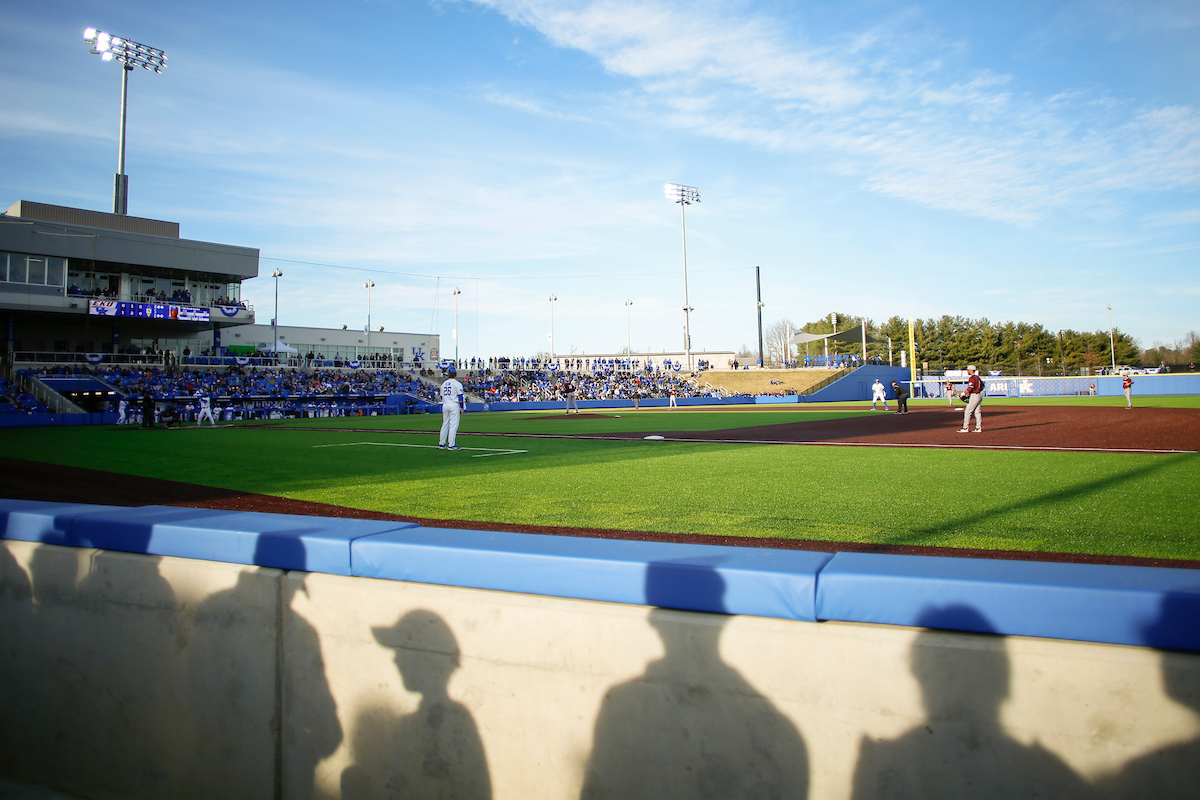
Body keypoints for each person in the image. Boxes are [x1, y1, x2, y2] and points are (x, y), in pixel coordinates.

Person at [439, 368, 465, 450]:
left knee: (445, 424)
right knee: (453, 425)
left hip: (445, 404)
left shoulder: (443, 384)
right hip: (454, 404)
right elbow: (460, 396)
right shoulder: (457, 384)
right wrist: (462, 407)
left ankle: (442, 443)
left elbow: (441, 396)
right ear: (455, 374)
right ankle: (451, 444)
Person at [957, 365, 983, 433]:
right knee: (977, 412)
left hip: (974, 395)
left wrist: (963, 394)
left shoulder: (972, 378)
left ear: (971, 370)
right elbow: (982, 385)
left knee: (968, 412)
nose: (967, 371)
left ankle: (965, 428)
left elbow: (970, 388)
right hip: (979, 395)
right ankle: (978, 428)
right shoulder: (977, 378)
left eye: (968, 370)